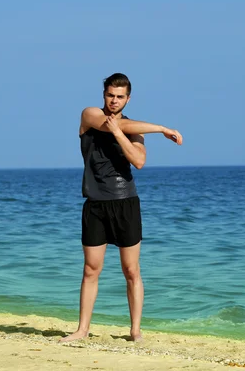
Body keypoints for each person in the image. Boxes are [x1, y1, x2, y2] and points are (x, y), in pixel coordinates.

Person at [60, 73, 183, 343]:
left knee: (131, 270)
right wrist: (162, 128)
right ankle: (82, 330)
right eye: (110, 95)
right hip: (95, 204)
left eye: (119, 97)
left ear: (128, 98)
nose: (114, 101)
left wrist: (120, 131)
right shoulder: (90, 115)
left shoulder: (134, 128)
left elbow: (138, 161)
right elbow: (107, 124)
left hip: (125, 203)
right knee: (91, 269)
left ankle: (135, 331)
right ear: (103, 94)